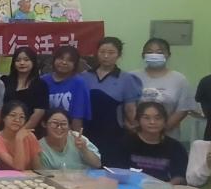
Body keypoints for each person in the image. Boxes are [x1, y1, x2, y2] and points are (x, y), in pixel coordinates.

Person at [79, 37, 141, 166]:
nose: (106, 56)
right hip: (87, 131)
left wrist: (136, 127)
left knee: (110, 166)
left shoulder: (126, 78)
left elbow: (130, 109)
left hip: (113, 133)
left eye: (111, 52)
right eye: (102, 52)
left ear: (119, 55)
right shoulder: (84, 76)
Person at [130, 38, 195, 138]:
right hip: (137, 134)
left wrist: (161, 129)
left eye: (159, 52)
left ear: (168, 55)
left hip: (168, 135)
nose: (154, 55)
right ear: (143, 55)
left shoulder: (179, 79)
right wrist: (139, 128)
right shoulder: (132, 77)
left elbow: (183, 109)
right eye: (150, 52)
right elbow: (127, 106)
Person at [113, 102, 187, 184]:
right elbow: (116, 171)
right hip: (128, 187)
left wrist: (166, 186)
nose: (152, 122)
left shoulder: (176, 147)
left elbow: (180, 176)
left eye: (158, 118)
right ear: (138, 120)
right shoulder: (125, 142)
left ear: (165, 121)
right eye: (146, 118)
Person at [41, 45, 90, 133]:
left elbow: (77, 115)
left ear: (75, 64)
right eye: (61, 58)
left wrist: (75, 136)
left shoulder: (79, 83)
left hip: (68, 132)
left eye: (70, 60)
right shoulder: (43, 80)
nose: (64, 62)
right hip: (44, 131)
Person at [1, 46, 48, 132]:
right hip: (6, 129)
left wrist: (22, 131)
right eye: (18, 60)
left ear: (33, 62)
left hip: (29, 130)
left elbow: (39, 112)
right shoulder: (5, 81)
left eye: (26, 60)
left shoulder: (40, 84)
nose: (22, 63)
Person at [0, 101, 42, 170]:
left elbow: (37, 168)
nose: (17, 120)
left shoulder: (30, 136)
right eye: (13, 115)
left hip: (28, 176)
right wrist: (19, 140)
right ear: (4, 118)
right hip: (4, 176)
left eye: (22, 117)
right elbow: (19, 167)